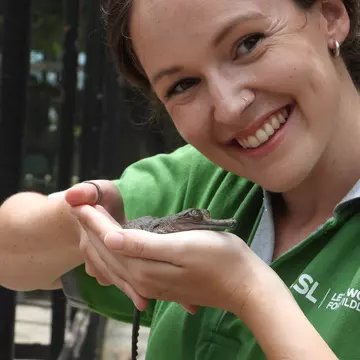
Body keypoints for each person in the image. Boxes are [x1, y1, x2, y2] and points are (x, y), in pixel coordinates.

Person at [1, 0, 360, 358]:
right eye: (183, 84)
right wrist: (88, 228)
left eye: (248, 43)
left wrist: (249, 291)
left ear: (331, 15)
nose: (230, 106)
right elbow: (9, 250)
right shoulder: (200, 177)